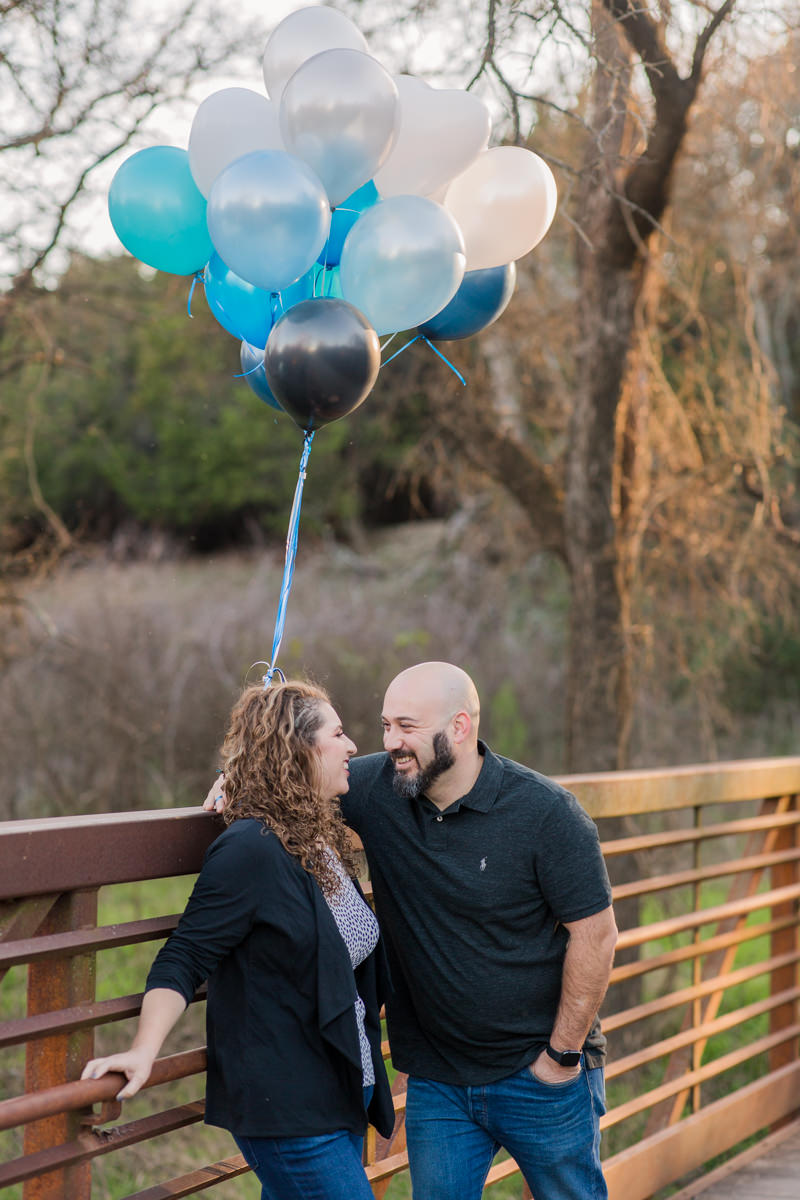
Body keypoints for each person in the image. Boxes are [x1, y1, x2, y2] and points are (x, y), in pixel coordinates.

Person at [207, 661, 617, 1200]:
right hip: (438, 1081)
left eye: (407, 727)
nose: (391, 742)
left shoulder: (547, 814)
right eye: (385, 726)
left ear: (461, 726)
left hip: (539, 1072)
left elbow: (597, 935)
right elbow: (295, 777)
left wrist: (562, 1057)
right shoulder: (380, 788)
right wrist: (237, 781)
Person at [84, 680, 394, 1200]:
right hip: (289, 1106)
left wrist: (242, 773)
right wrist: (142, 1050)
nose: (353, 746)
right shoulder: (250, 849)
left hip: (339, 1088)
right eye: (338, 734)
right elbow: (184, 955)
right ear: (299, 751)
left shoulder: (318, 834)